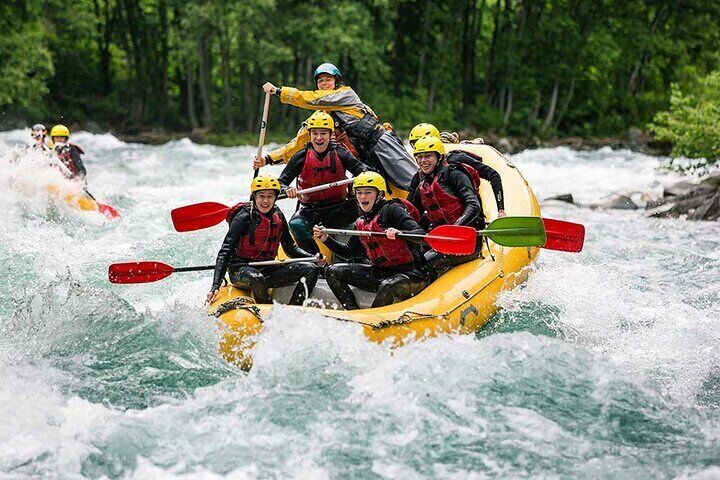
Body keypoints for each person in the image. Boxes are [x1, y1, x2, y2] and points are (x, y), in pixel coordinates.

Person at [256, 62, 418, 191]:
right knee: (374, 188)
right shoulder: (321, 118)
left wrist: (279, 91)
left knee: (412, 179)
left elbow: (311, 99)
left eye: (328, 80)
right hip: (363, 155)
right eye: (321, 81)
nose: (324, 83)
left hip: (380, 142)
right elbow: (299, 142)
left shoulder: (346, 94)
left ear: (336, 82)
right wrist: (269, 159)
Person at [312, 172, 433, 310]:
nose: (362, 197)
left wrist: (401, 233)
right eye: (359, 192)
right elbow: (348, 252)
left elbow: (422, 235)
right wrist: (325, 239)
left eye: (368, 192)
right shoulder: (362, 221)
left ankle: (373, 323)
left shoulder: (393, 209)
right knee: (333, 271)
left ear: (380, 194)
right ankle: (353, 313)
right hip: (380, 272)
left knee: (388, 285)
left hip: (412, 273)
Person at [206, 175, 322, 306]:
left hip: (268, 267)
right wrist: (215, 285)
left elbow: (290, 248)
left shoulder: (278, 215)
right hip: (241, 269)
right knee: (257, 278)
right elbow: (225, 252)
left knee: (311, 269)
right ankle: (267, 312)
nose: (266, 201)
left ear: (276, 197)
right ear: (254, 197)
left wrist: (312, 257)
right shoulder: (243, 217)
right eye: (261, 196)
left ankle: (294, 308)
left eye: (270, 196)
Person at [407, 135, 505, 276]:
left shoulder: (454, 173)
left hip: (467, 240)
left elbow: (473, 204)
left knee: (423, 263)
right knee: (413, 257)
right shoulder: (423, 184)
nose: (423, 161)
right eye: (419, 157)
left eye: (428, 156)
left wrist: (456, 228)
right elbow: (411, 213)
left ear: (439, 157)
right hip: (443, 239)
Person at [277, 110, 368, 254]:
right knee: (296, 224)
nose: (319, 138)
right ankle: (315, 260)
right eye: (315, 133)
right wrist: (286, 189)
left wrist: (358, 184)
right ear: (310, 134)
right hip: (311, 210)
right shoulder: (301, 157)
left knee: (361, 221)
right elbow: (280, 183)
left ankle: (349, 258)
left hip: (340, 209)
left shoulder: (341, 153)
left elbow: (363, 174)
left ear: (331, 134)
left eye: (323, 133)